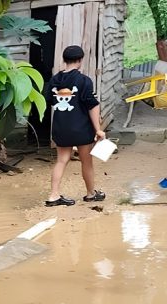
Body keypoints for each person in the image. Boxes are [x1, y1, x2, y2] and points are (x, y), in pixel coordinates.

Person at [44, 45, 106, 207]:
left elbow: (49, 100)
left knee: (61, 160)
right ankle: (91, 194)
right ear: (79, 60)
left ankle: (53, 195)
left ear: (64, 60)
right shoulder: (84, 80)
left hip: (60, 127)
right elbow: (92, 105)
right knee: (86, 161)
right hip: (81, 128)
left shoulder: (54, 80)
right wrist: (98, 129)